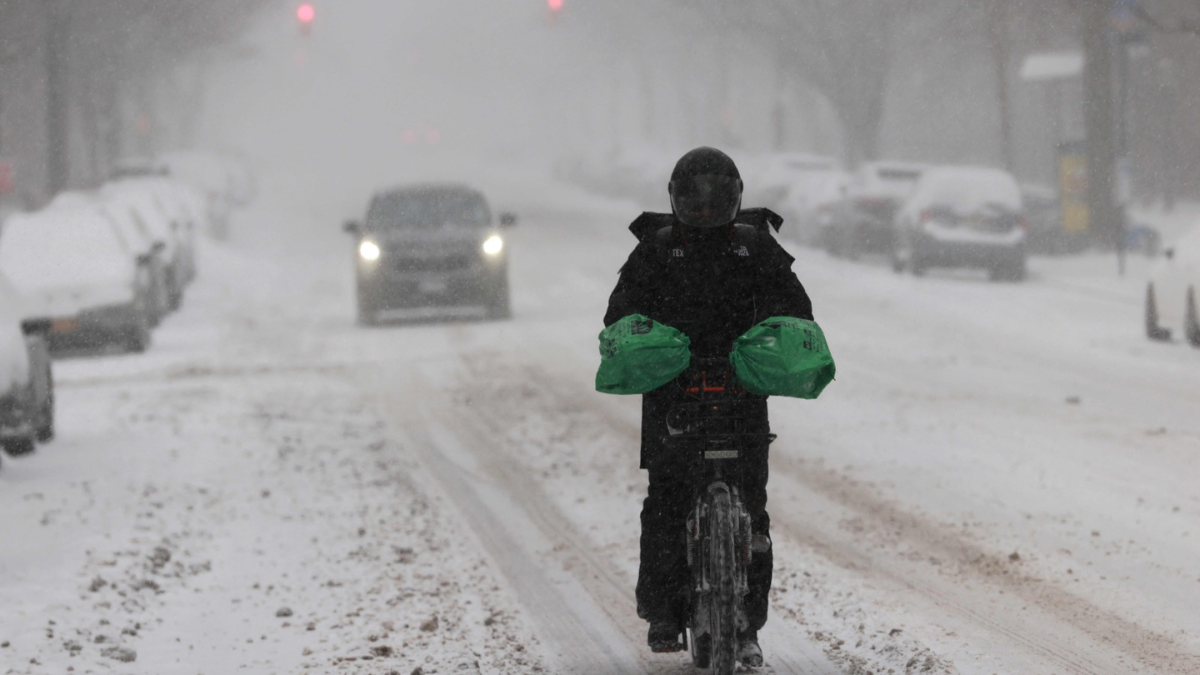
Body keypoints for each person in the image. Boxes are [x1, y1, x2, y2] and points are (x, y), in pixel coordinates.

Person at [603, 147, 814, 665]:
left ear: (734, 199)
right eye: (691, 202)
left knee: (754, 513)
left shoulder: (757, 248)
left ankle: (747, 625)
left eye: (712, 201)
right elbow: (619, 315)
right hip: (674, 395)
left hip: (742, 392)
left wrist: (776, 342)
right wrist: (647, 345)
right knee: (666, 503)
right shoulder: (653, 252)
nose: (701, 211)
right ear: (673, 199)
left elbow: (797, 310)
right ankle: (664, 611)